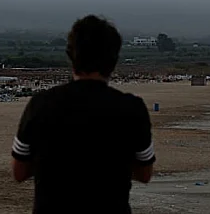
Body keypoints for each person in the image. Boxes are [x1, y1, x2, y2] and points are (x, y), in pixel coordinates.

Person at [11, 15, 154, 214]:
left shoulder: (41, 105)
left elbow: (19, 172)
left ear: (71, 55)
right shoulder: (132, 109)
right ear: (113, 59)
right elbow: (145, 173)